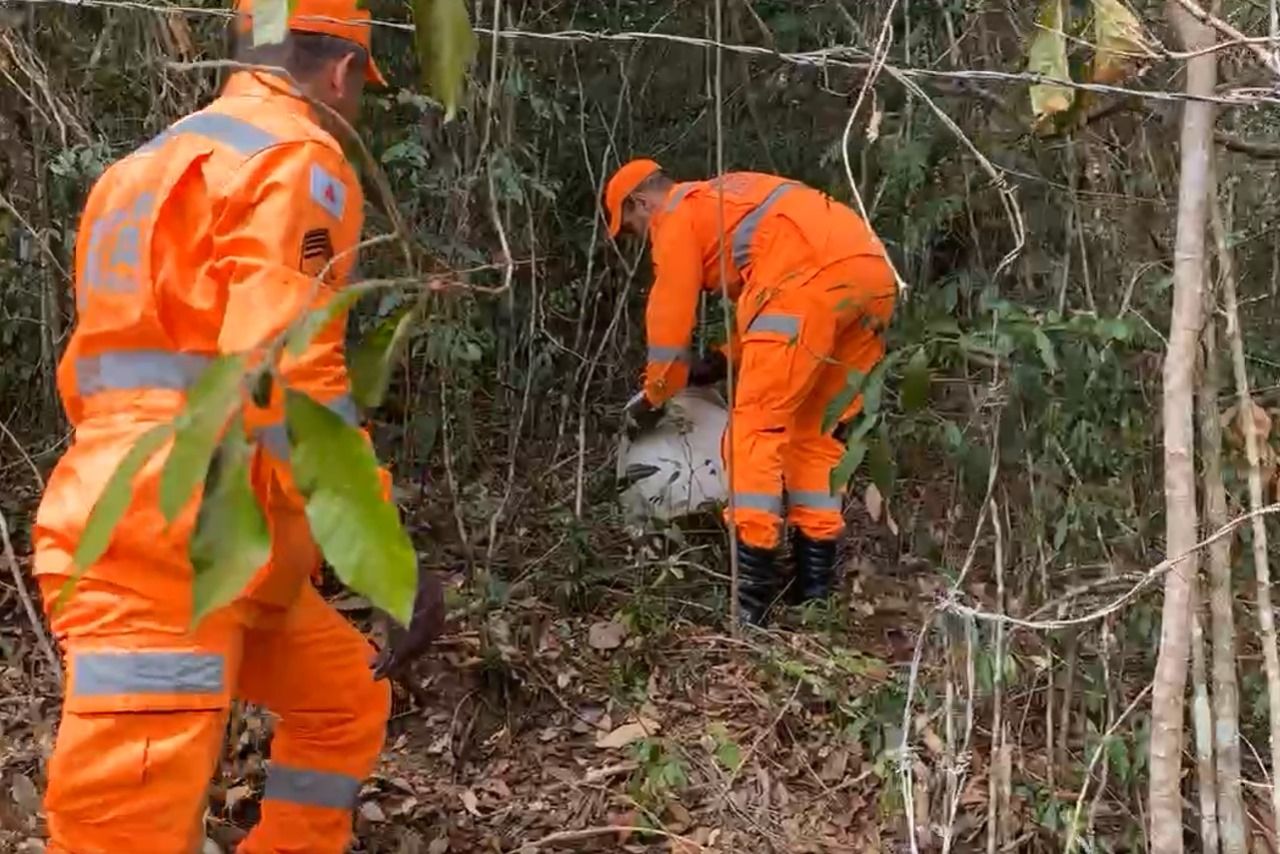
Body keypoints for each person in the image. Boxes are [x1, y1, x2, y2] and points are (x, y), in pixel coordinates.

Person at [31, 1, 443, 850]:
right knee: (124, 829)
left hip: (175, 517)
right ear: (341, 72)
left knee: (342, 694)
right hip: (168, 539)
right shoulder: (296, 159)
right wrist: (384, 558)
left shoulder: (141, 167)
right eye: (361, 88)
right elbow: (287, 373)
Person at [606, 160, 897, 627]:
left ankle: (752, 605)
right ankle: (814, 590)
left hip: (809, 286)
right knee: (815, 435)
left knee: (754, 431)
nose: (642, 239)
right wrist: (723, 359)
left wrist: (657, 392)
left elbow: (671, 312)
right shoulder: (730, 197)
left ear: (641, 203)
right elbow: (796, 288)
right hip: (873, 279)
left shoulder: (676, 214)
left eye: (635, 229)